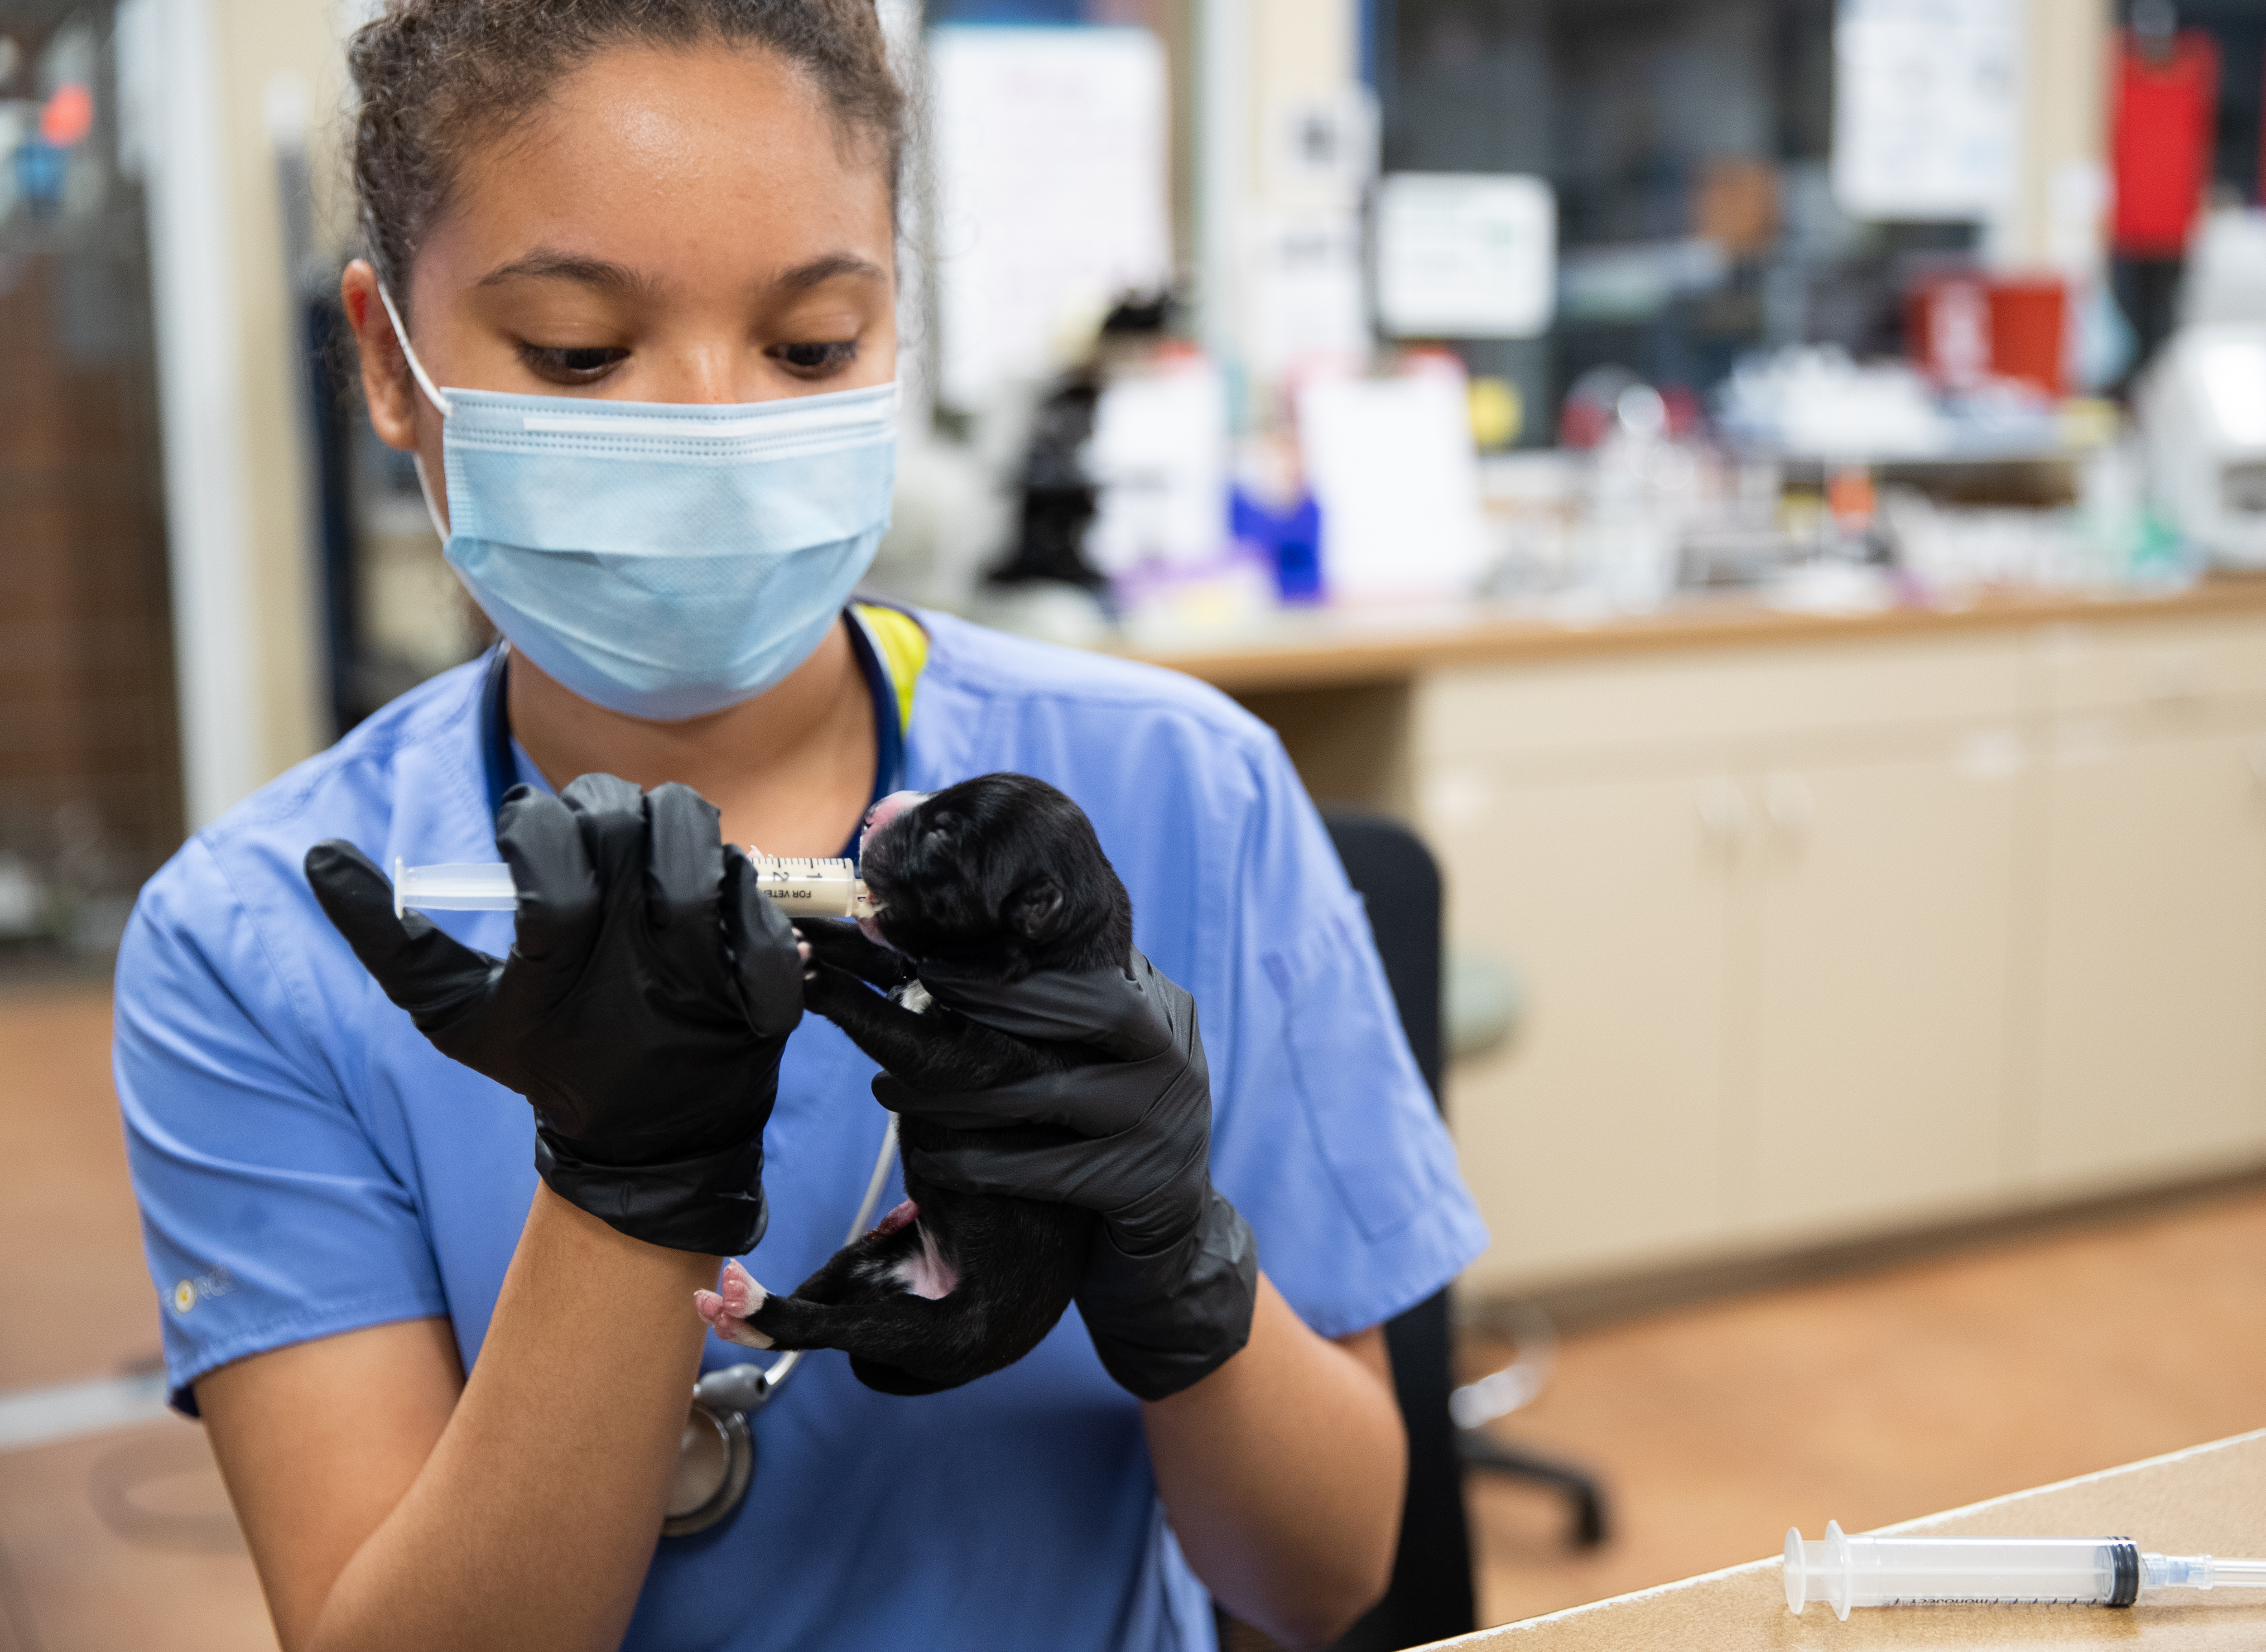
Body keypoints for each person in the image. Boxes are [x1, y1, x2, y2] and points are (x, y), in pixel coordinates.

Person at [111, 3, 1487, 1650]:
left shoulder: (1181, 789)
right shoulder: (259, 946)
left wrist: (1173, 1259)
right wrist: (623, 1193)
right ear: (390, 364)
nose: (707, 424)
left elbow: (1327, 1582)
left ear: (896, 326)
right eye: (577, 351)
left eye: (813, 345)